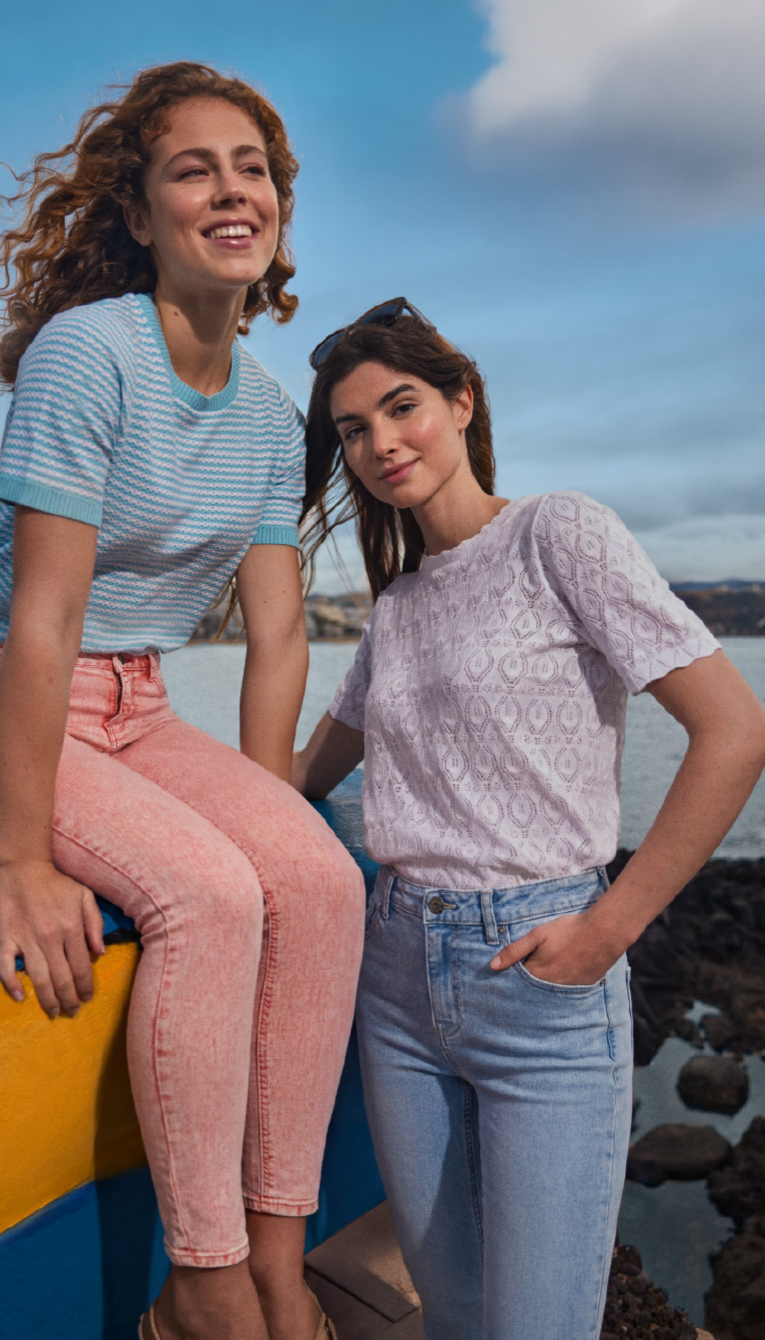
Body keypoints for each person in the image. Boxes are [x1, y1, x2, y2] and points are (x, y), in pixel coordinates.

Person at [0, 62, 365, 1340]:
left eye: (254, 167)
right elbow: (42, 619)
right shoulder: (88, 352)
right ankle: (202, 1288)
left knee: (317, 880)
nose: (234, 189)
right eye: (194, 168)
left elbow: (278, 636)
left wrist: (273, 816)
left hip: (142, 709)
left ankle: (280, 1252)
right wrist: (20, 859)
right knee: (206, 897)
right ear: (143, 214)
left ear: (276, 210)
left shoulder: (274, 415)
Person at [292, 299, 765, 1340]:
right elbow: (305, 774)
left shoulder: (560, 534)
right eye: (353, 432)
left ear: (461, 401)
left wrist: (610, 926)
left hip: (541, 978)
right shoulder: (399, 605)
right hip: (398, 981)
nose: (380, 444)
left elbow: (734, 731)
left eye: (400, 407)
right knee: (455, 1314)